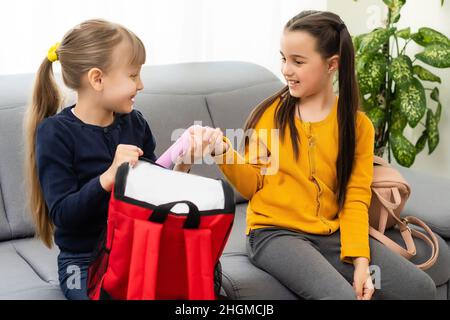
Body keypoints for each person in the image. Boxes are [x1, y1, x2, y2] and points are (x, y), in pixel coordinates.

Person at [209, 10, 437, 300]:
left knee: (419, 289)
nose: (286, 70)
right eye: (283, 58)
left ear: (332, 65)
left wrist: (361, 261)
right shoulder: (271, 115)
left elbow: (355, 197)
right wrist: (222, 152)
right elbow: (251, 184)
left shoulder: (357, 126)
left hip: (333, 234)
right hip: (275, 234)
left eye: (298, 61)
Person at [24, 19, 222, 300]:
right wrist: (107, 178)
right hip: (83, 262)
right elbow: (64, 215)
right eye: (132, 75)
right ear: (97, 79)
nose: (140, 84)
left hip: (139, 251)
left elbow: (154, 194)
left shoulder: (134, 123)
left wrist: (183, 163)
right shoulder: (55, 132)